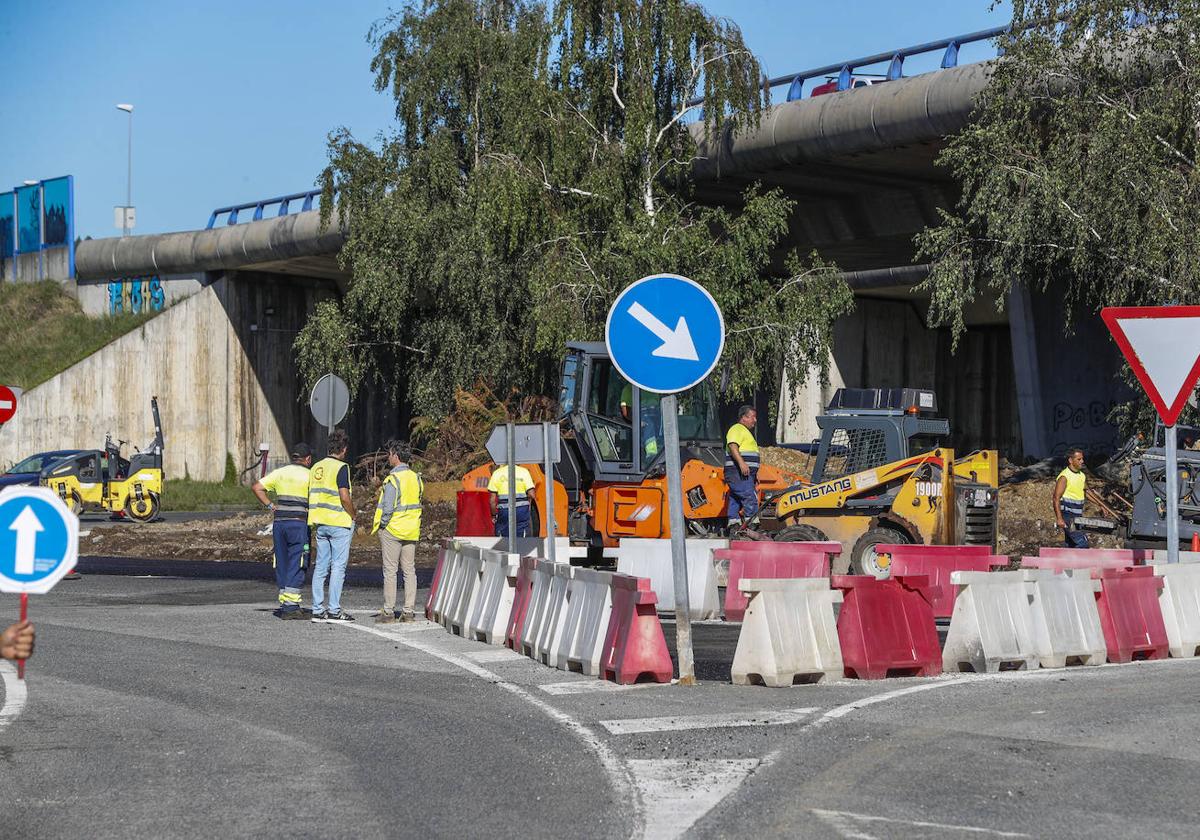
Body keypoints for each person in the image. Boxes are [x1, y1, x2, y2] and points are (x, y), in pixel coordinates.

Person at [252, 442, 313, 619]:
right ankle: (291, 606)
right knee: (299, 560)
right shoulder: (309, 476)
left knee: (282, 560)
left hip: (280, 523)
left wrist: (271, 505)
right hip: (299, 523)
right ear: (307, 459)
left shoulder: (280, 473)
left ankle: (285, 601)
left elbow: (257, 487)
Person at [372, 440, 424, 624]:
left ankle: (388, 612)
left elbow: (387, 508)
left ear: (396, 456)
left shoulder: (392, 479)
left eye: (390, 453)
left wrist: (383, 525)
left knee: (391, 571)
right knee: (409, 570)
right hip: (411, 530)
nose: (388, 456)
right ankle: (408, 611)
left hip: (393, 530)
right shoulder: (416, 478)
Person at [308, 429, 357, 623]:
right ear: (344, 449)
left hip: (321, 522)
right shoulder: (341, 468)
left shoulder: (316, 468)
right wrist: (353, 515)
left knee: (320, 567)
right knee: (338, 567)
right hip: (339, 523)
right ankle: (335, 610)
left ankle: (317, 609)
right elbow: (344, 496)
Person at [725, 405, 760, 529]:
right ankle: (752, 523)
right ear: (743, 417)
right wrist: (741, 463)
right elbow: (733, 446)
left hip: (743, 473)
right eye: (752, 417)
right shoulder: (737, 428)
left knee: (736, 497)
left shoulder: (745, 432)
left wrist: (755, 475)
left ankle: (733, 523)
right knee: (748, 495)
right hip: (737, 471)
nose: (755, 420)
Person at [1053, 446, 1089, 549]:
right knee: (1082, 543)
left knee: (1071, 544)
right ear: (1070, 460)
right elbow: (1056, 498)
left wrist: (1102, 506)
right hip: (1068, 516)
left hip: (1078, 515)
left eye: (1082, 459)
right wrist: (1059, 519)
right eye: (1079, 459)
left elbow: (1086, 492)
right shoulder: (1064, 477)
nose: (1082, 461)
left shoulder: (1081, 475)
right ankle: (1079, 564)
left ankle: (1067, 564)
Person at [488, 462, 537, 538]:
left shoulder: (497, 473)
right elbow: (532, 494)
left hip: (504, 510)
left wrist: (494, 515)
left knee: (503, 534)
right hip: (521, 510)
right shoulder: (524, 472)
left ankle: (504, 548)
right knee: (523, 536)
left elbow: (492, 501)